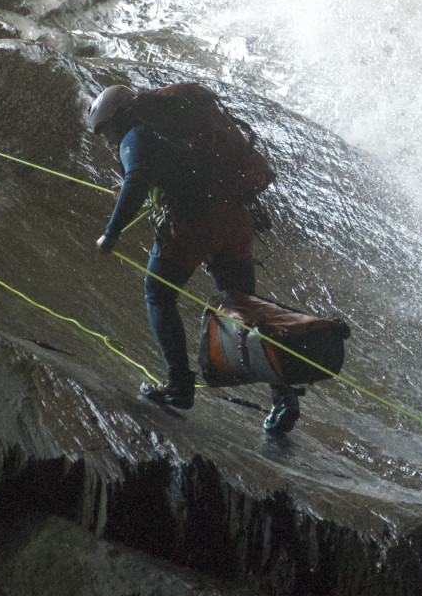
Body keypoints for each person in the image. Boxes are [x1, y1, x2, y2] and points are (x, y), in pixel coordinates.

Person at [87, 83, 301, 433]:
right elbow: (159, 173)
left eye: (107, 129)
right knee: (245, 307)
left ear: (120, 117)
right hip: (234, 218)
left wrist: (111, 233)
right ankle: (284, 396)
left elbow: (138, 178)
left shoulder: (135, 135)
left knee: (159, 294)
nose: (109, 138)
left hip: (193, 222)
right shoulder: (170, 131)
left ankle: (178, 385)